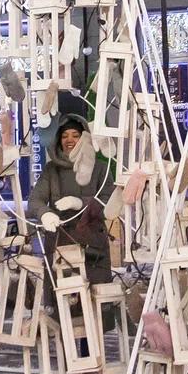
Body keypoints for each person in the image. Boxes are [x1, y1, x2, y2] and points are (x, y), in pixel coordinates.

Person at [28, 113, 114, 287]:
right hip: (60, 242)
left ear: (84, 138)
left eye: (75, 135)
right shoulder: (51, 170)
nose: (70, 140)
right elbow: (35, 200)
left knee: (96, 297)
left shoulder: (100, 169)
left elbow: (109, 204)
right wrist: (45, 214)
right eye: (65, 136)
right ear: (58, 140)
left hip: (93, 245)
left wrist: (81, 203)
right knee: (63, 298)